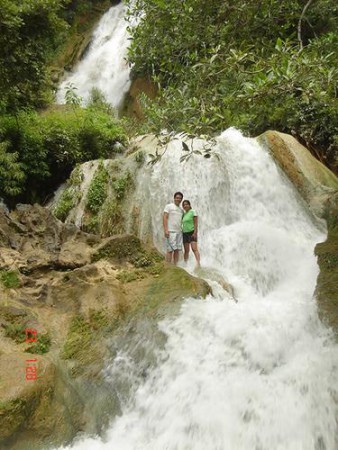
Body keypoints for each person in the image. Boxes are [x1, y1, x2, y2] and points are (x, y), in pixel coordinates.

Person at [163, 192, 184, 264]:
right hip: (171, 231)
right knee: (170, 250)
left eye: (180, 198)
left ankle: (176, 266)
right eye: (177, 197)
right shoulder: (169, 206)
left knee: (177, 250)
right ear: (174, 198)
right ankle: (168, 266)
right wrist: (166, 230)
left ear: (181, 199)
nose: (178, 199)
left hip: (179, 232)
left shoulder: (181, 210)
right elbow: (165, 217)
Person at [182, 199, 201, 267]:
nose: (185, 206)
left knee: (194, 249)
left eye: (186, 204)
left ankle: (198, 264)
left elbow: (196, 222)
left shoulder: (193, 211)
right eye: (184, 205)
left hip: (192, 232)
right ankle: (185, 264)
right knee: (186, 250)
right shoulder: (184, 214)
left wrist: (195, 232)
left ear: (189, 205)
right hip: (184, 233)